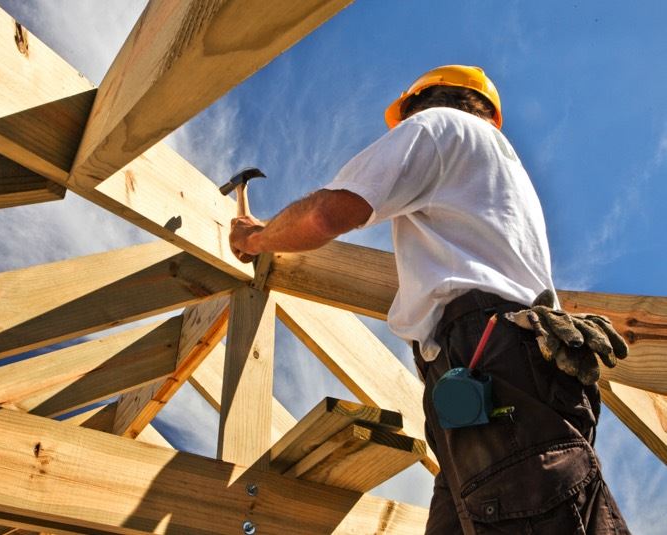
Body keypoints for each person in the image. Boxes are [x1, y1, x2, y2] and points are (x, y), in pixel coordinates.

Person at [229, 65, 630, 534]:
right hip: (496, 376)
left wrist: (256, 238)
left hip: (489, 362)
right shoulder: (500, 172)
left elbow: (325, 213)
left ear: (421, 103)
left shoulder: (440, 127)